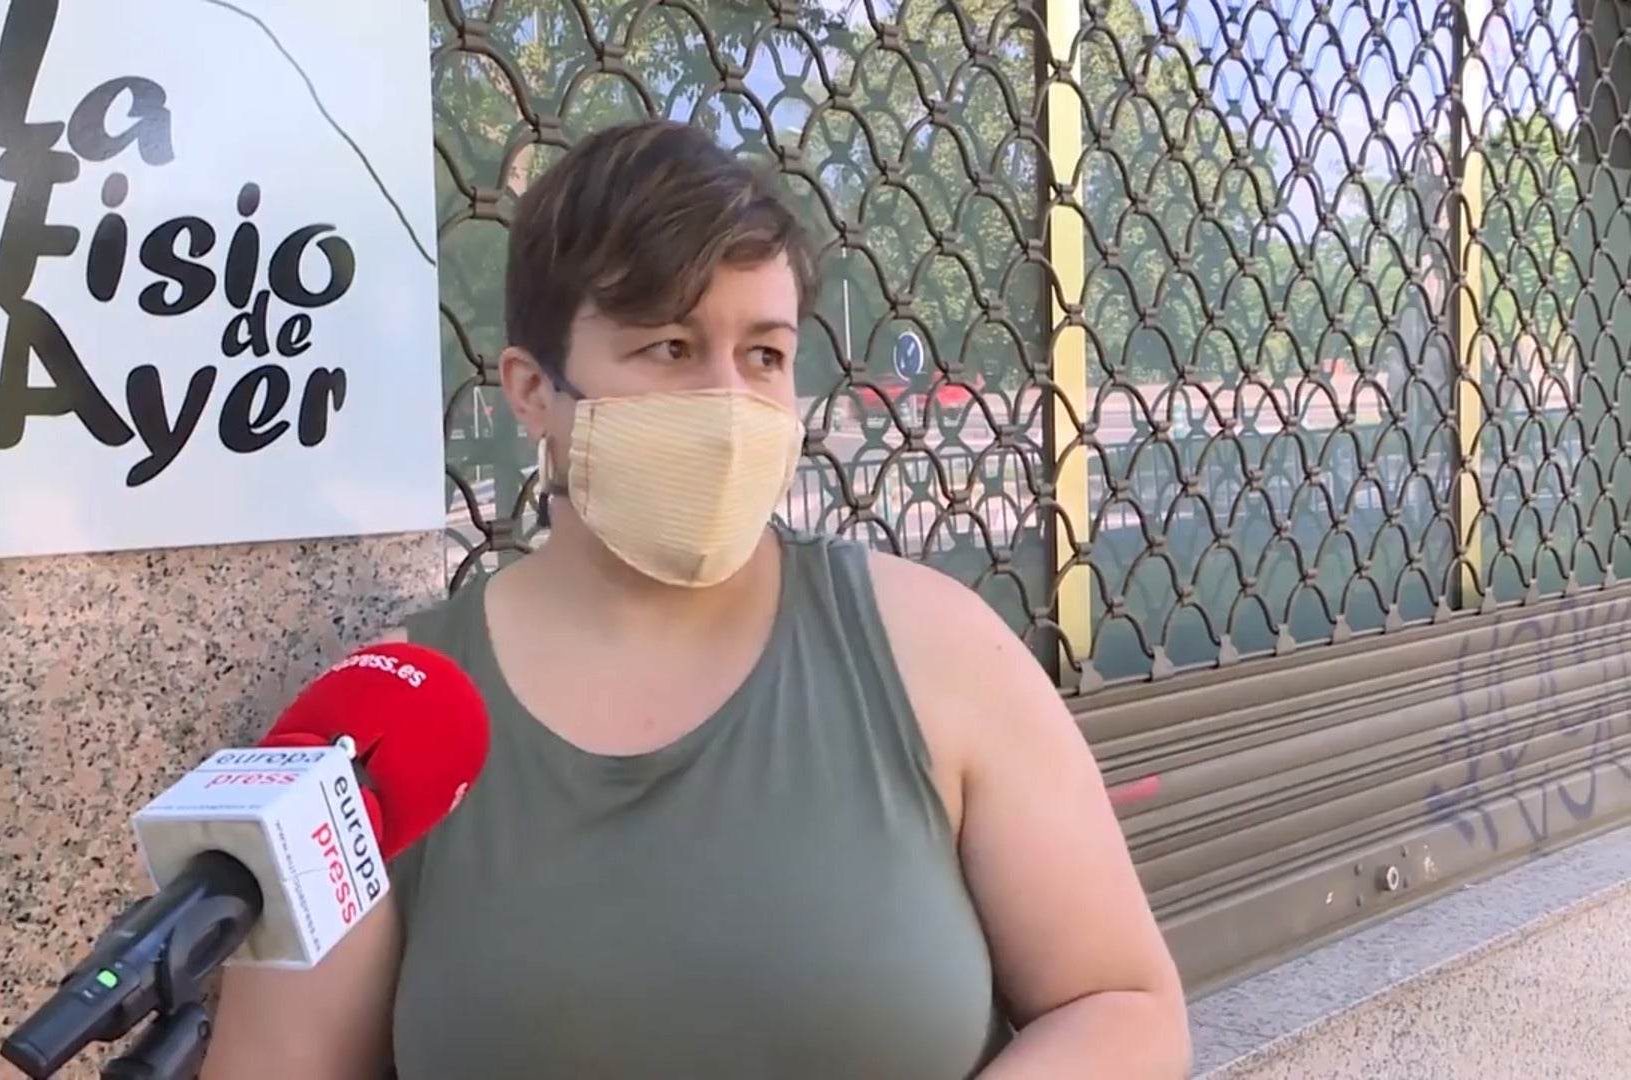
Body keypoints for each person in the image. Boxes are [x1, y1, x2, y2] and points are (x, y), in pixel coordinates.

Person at [202, 118, 1190, 1079]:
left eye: (764, 355)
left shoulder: (935, 649)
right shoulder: (386, 724)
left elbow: (1122, 1006)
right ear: (533, 391)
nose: (728, 407)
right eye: (670, 347)